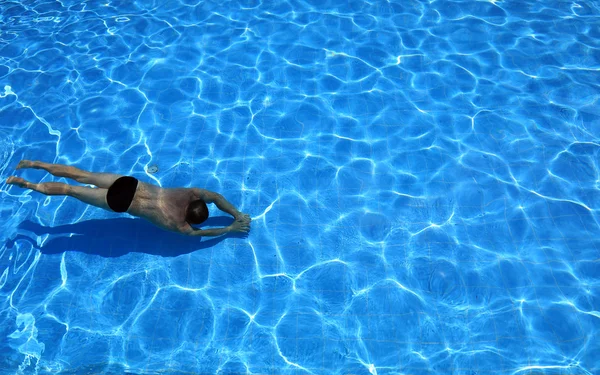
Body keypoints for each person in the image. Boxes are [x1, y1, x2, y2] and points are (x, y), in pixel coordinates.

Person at [6, 160, 251, 237]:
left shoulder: (192, 194)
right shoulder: (178, 224)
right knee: (71, 191)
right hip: (122, 203)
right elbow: (199, 234)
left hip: (130, 183)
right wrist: (230, 227)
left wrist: (236, 213)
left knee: (82, 175)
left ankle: (35, 163)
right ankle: (26, 184)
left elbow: (217, 196)